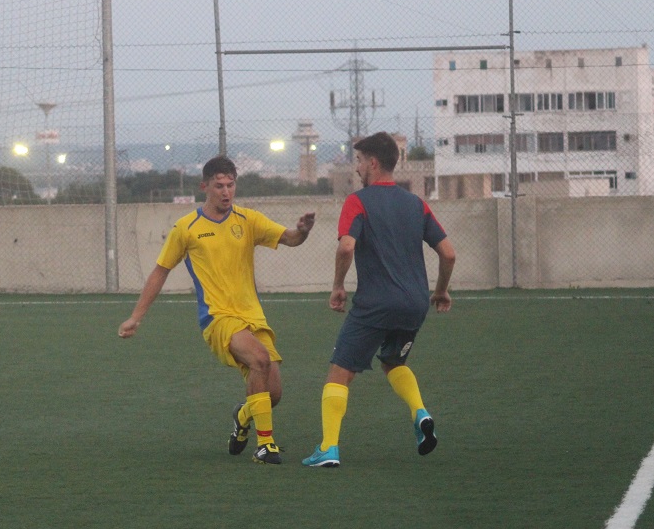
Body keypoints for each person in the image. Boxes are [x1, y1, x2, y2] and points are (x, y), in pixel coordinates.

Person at [118, 156, 316, 465]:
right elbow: (160, 271)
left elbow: (289, 238)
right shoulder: (187, 228)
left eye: (230, 185)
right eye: (219, 186)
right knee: (259, 359)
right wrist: (136, 317)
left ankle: (243, 416)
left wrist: (302, 231)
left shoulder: (248, 219)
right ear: (205, 187)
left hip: (252, 316)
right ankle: (265, 446)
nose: (226, 192)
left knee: (272, 393)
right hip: (217, 317)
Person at [302, 132, 455, 468]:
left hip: (376, 303)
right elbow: (448, 253)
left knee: (339, 373)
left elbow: (346, 246)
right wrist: (441, 290)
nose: (357, 167)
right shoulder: (416, 204)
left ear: (372, 163)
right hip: (414, 304)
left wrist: (337, 286)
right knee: (393, 362)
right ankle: (420, 413)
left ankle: (328, 448)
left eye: (358, 161)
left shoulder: (358, 201)